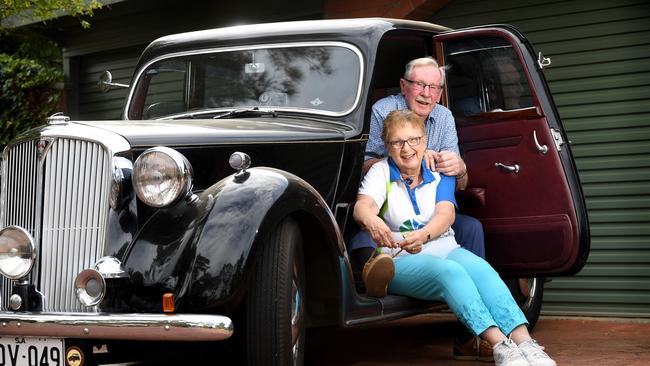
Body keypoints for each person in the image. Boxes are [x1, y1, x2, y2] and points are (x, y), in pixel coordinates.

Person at [352, 109, 556, 366]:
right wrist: (371, 220)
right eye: (397, 142)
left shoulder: (439, 171)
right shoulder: (380, 172)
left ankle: (525, 342)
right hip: (400, 257)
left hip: (444, 246)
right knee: (450, 272)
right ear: (387, 146)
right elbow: (362, 206)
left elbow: (446, 214)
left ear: (424, 141)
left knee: (482, 269)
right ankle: (501, 346)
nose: (407, 149)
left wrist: (425, 234)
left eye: (414, 140)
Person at [351, 56, 488, 361]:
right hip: (391, 203)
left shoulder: (445, 117)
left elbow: (458, 182)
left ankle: (469, 338)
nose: (427, 93)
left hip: (430, 210)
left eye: (435, 87)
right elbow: (364, 165)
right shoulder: (383, 110)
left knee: (472, 228)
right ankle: (374, 276)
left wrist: (461, 167)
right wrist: (412, 154)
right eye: (420, 85)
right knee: (366, 235)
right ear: (404, 86)